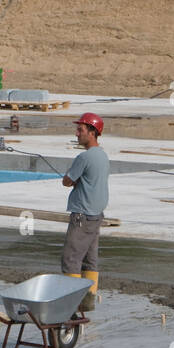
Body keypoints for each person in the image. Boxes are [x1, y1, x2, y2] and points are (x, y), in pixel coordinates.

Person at [61, 112, 108, 312]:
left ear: (92, 132)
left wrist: (70, 179)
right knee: (90, 260)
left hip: (81, 217)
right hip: (96, 216)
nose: (77, 133)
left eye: (81, 130)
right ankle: (88, 301)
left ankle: (70, 303)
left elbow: (67, 181)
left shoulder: (85, 157)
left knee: (71, 259)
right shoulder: (103, 155)